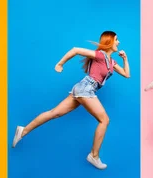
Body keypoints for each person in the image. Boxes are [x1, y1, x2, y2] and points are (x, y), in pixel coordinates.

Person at [11, 31, 131, 170]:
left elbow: (126, 74)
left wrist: (125, 59)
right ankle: (94, 155)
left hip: (82, 89)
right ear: (109, 41)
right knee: (104, 120)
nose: (118, 42)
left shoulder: (111, 62)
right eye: (116, 39)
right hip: (86, 88)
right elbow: (75, 50)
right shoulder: (99, 55)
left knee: (54, 113)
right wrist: (60, 64)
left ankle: (23, 131)